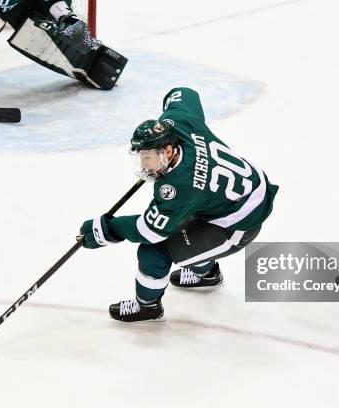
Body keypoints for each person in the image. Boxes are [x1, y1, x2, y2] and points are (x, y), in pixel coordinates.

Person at [79, 87, 279, 322]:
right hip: (230, 197)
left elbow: (150, 231)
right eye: (140, 156)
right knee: (188, 230)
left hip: (239, 223)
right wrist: (163, 122)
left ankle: (148, 306)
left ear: (169, 150)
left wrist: (108, 229)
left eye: (148, 157)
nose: (144, 165)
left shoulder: (179, 187)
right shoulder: (178, 122)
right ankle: (205, 273)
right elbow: (184, 93)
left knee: (155, 251)